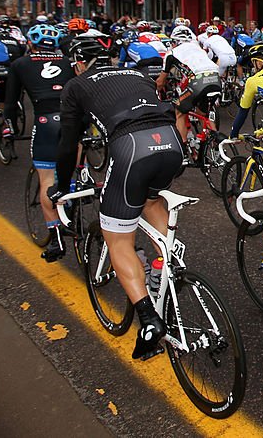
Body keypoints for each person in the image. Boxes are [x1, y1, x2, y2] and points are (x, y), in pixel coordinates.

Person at [52, 34, 183, 360]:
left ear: (78, 63)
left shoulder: (76, 85)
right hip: (172, 142)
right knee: (150, 200)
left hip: (132, 148)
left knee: (119, 240)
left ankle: (149, 321)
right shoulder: (136, 73)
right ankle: (170, 262)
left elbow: (69, 145)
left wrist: (62, 185)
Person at [4, 24, 75, 261]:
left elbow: (11, 103)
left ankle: (55, 239)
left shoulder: (20, 64)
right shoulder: (67, 61)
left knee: (46, 180)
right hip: (72, 120)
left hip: (46, 122)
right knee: (71, 170)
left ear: (31, 43)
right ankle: (72, 206)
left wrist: (11, 128)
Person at [157, 25, 221, 143]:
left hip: (198, 81)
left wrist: (154, 91)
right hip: (216, 78)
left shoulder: (171, 53)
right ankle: (214, 145)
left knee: (180, 111)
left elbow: (161, 82)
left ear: (175, 41)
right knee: (203, 114)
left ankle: (183, 147)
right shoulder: (198, 48)